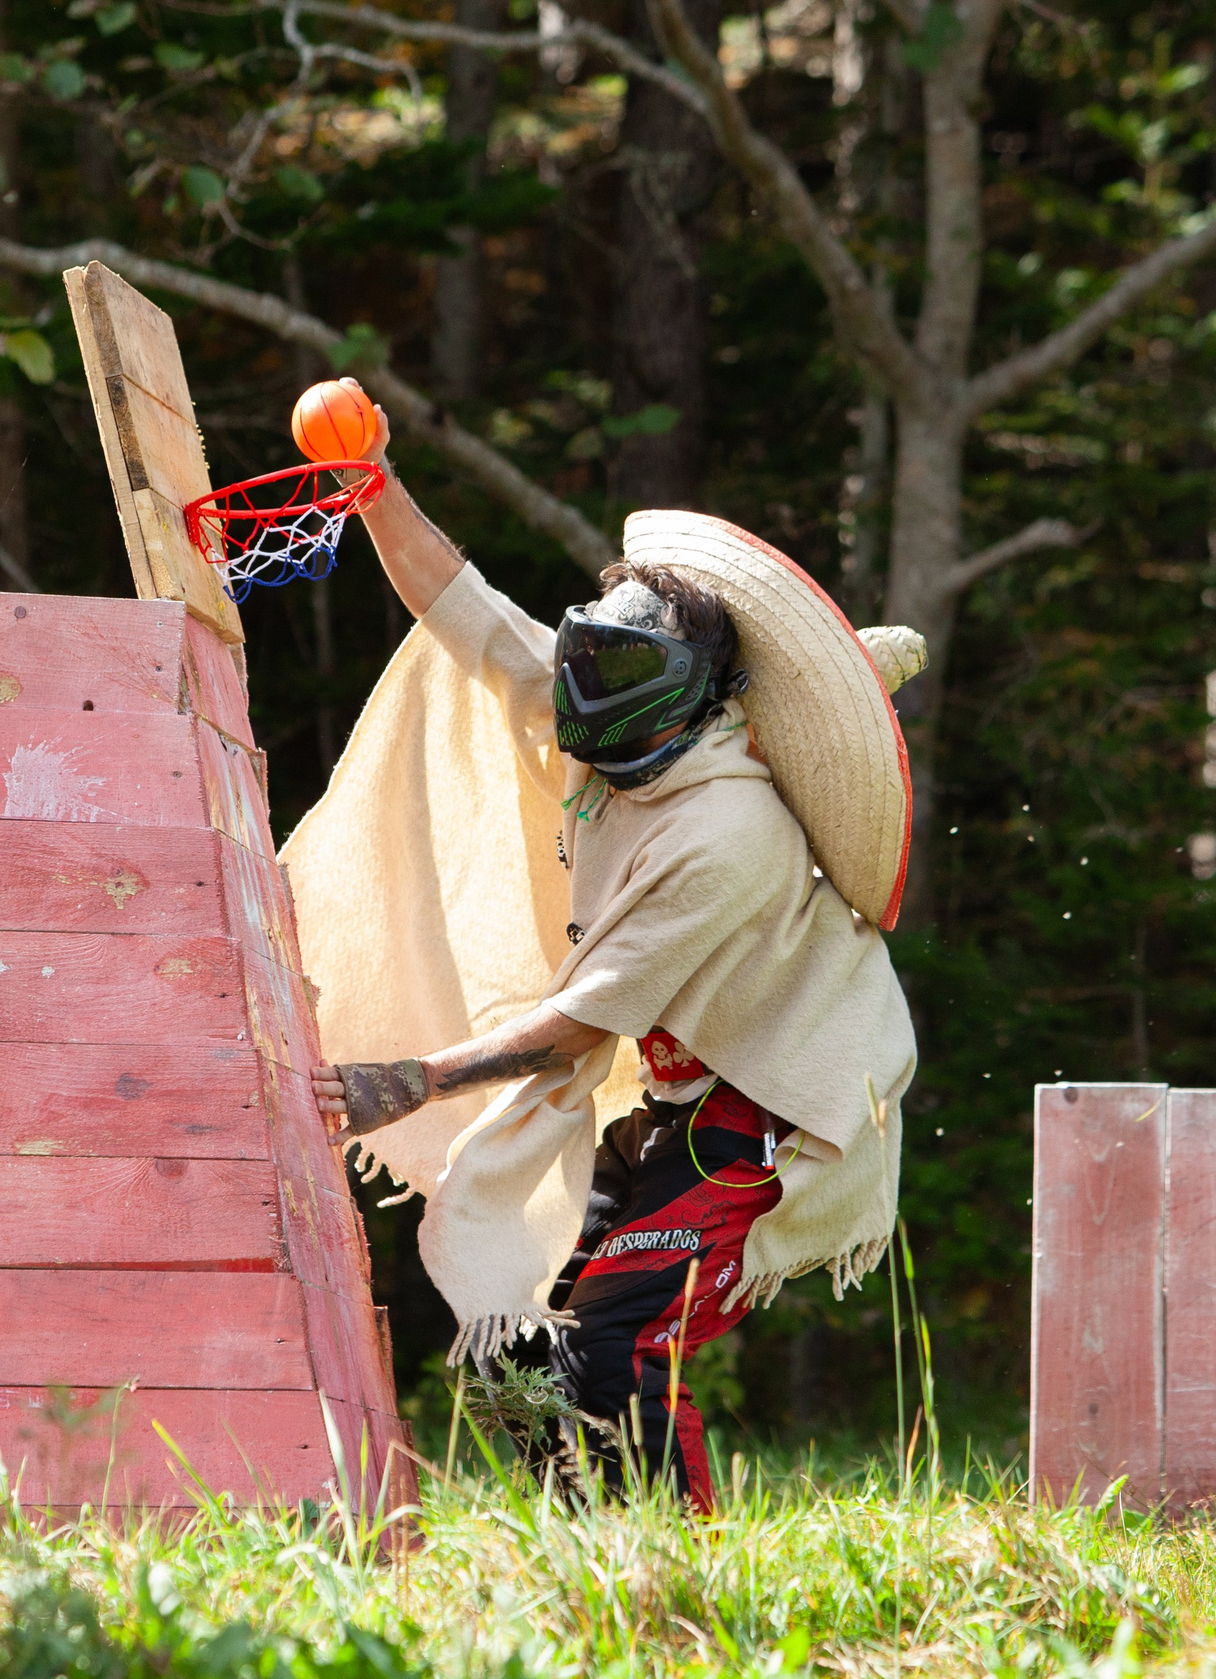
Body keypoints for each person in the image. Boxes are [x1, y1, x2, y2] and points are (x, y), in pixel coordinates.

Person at [294, 388, 920, 1511]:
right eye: (584, 659)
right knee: (520, 1345)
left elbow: (584, 1021)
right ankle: (586, 1550)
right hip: (682, 1101)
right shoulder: (601, 705)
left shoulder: (728, 835)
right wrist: (374, 486)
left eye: (616, 675)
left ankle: (676, 1596)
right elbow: (466, 609)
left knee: (624, 1341)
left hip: (783, 1112)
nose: (580, 691)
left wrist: (415, 1080)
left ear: (694, 696)